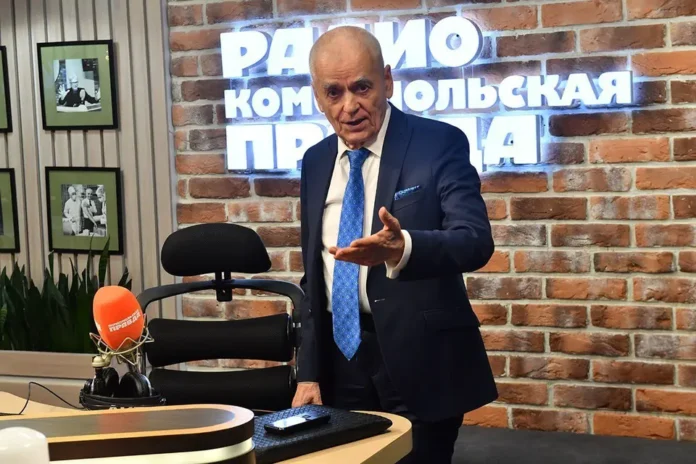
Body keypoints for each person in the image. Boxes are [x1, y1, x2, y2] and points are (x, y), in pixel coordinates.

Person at [291, 26, 498, 463]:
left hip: (420, 361)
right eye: (334, 93)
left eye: (362, 87)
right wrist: (308, 371)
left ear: (387, 80)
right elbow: (315, 278)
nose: (349, 106)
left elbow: (474, 240)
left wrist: (402, 248)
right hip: (340, 365)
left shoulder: (438, 143)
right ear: (317, 96)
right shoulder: (314, 161)